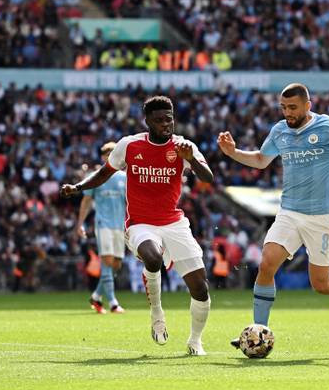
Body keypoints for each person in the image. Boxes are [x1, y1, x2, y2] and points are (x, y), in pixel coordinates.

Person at [217, 83, 329, 348]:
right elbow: (262, 159)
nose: (288, 113)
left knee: (320, 284)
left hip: (323, 218)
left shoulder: (328, 129)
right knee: (266, 264)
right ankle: (258, 331)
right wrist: (233, 153)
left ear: (308, 105)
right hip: (290, 212)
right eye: (283, 108)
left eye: (293, 107)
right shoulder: (279, 131)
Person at [61, 96, 214, 356]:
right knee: (152, 258)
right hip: (140, 224)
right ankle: (156, 312)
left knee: (200, 288)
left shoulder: (183, 147)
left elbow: (208, 179)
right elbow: (104, 172)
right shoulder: (129, 145)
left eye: (169, 119)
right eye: (159, 120)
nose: (166, 124)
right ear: (147, 122)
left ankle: (195, 341)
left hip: (174, 222)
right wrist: (77, 187)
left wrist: (193, 159)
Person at [76, 142, 127, 314]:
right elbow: (86, 201)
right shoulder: (96, 176)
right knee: (107, 260)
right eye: (105, 153)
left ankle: (96, 296)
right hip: (103, 223)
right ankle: (113, 302)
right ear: (102, 156)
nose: (108, 155)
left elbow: (130, 203)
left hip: (120, 225)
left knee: (116, 264)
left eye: (112, 152)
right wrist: (80, 223)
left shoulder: (124, 177)